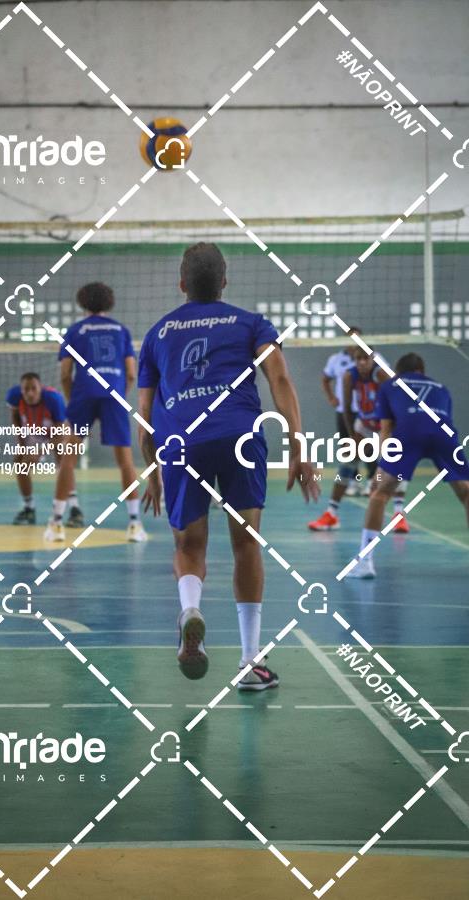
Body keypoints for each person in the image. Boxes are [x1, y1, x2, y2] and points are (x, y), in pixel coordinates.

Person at [137, 243, 318, 689]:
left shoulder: (157, 334)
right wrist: (298, 444)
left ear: (182, 284)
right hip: (240, 435)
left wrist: (153, 469)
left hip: (182, 442)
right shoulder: (250, 323)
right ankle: (250, 662)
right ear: (224, 281)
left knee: (188, 545)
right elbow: (280, 378)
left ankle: (190, 610)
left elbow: (144, 416)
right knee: (246, 544)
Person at [347, 352, 469, 579]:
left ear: (398, 371)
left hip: (409, 432)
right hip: (443, 433)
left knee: (380, 494)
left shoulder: (389, 385)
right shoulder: (442, 388)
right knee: (466, 492)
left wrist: (380, 470)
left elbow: (386, 429)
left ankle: (364, 563)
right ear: (421, 371)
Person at [58, 282, 147, 543]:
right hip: (113, 395)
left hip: (83, 394)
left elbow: (65, 374)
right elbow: (131, 373)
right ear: (110, 302)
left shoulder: (75, 330)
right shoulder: (121, 330)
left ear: (82, 302)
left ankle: (56, 523)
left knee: (68, 459)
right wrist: (119, 394)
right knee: (125, 462)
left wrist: (73, 401)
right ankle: (134, 524)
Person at [308, 347, 408, 532]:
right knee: (347, 462)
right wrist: (351, 436)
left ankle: (398, 515)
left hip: (386, 425)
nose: (362, 362)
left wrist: (393, 429)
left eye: (365, 358)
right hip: (365, 424)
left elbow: (400, 400)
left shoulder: (382, 374)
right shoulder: (349, 376)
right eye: (358, 358)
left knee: (395, 466)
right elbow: (346, 408)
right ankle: (331, 514)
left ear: (372, 359)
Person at [6, 373, 70, 526]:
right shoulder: (14, 396)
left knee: (64, 461)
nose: (30, 393)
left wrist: (40, 451)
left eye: (33, 388)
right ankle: (29, 508)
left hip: (56, 430)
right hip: (35, 431)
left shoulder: (54, 399)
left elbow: (61, 433)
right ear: (21, 390)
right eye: (26, 389)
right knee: (19, 463)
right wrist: (22, 446)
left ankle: (73, 508)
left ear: (40, 388)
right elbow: (15, 418)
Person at [322, 329, 363, 496]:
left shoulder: (371, 358)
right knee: (347, 447)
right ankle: (354, 482)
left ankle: (372, 481)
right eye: (350, 339)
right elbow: (325, 379)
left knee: (369, 448)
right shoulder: (336, 359)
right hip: (344, 411)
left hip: (365, 412)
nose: (353, 342)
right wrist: (331, 397)